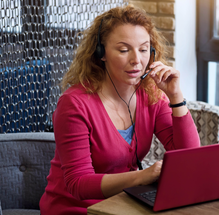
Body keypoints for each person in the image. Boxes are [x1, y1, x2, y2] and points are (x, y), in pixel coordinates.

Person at [39, 4, 200, 215]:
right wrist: (142, 177)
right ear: (101, 52)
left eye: (143, 49)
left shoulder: (150, 93)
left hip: (124, 205)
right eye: (124, 50)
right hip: (77, 209)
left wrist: (176, 97)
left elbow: (189, 157)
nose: (137, 60)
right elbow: (78, 183)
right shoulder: (74, 104)